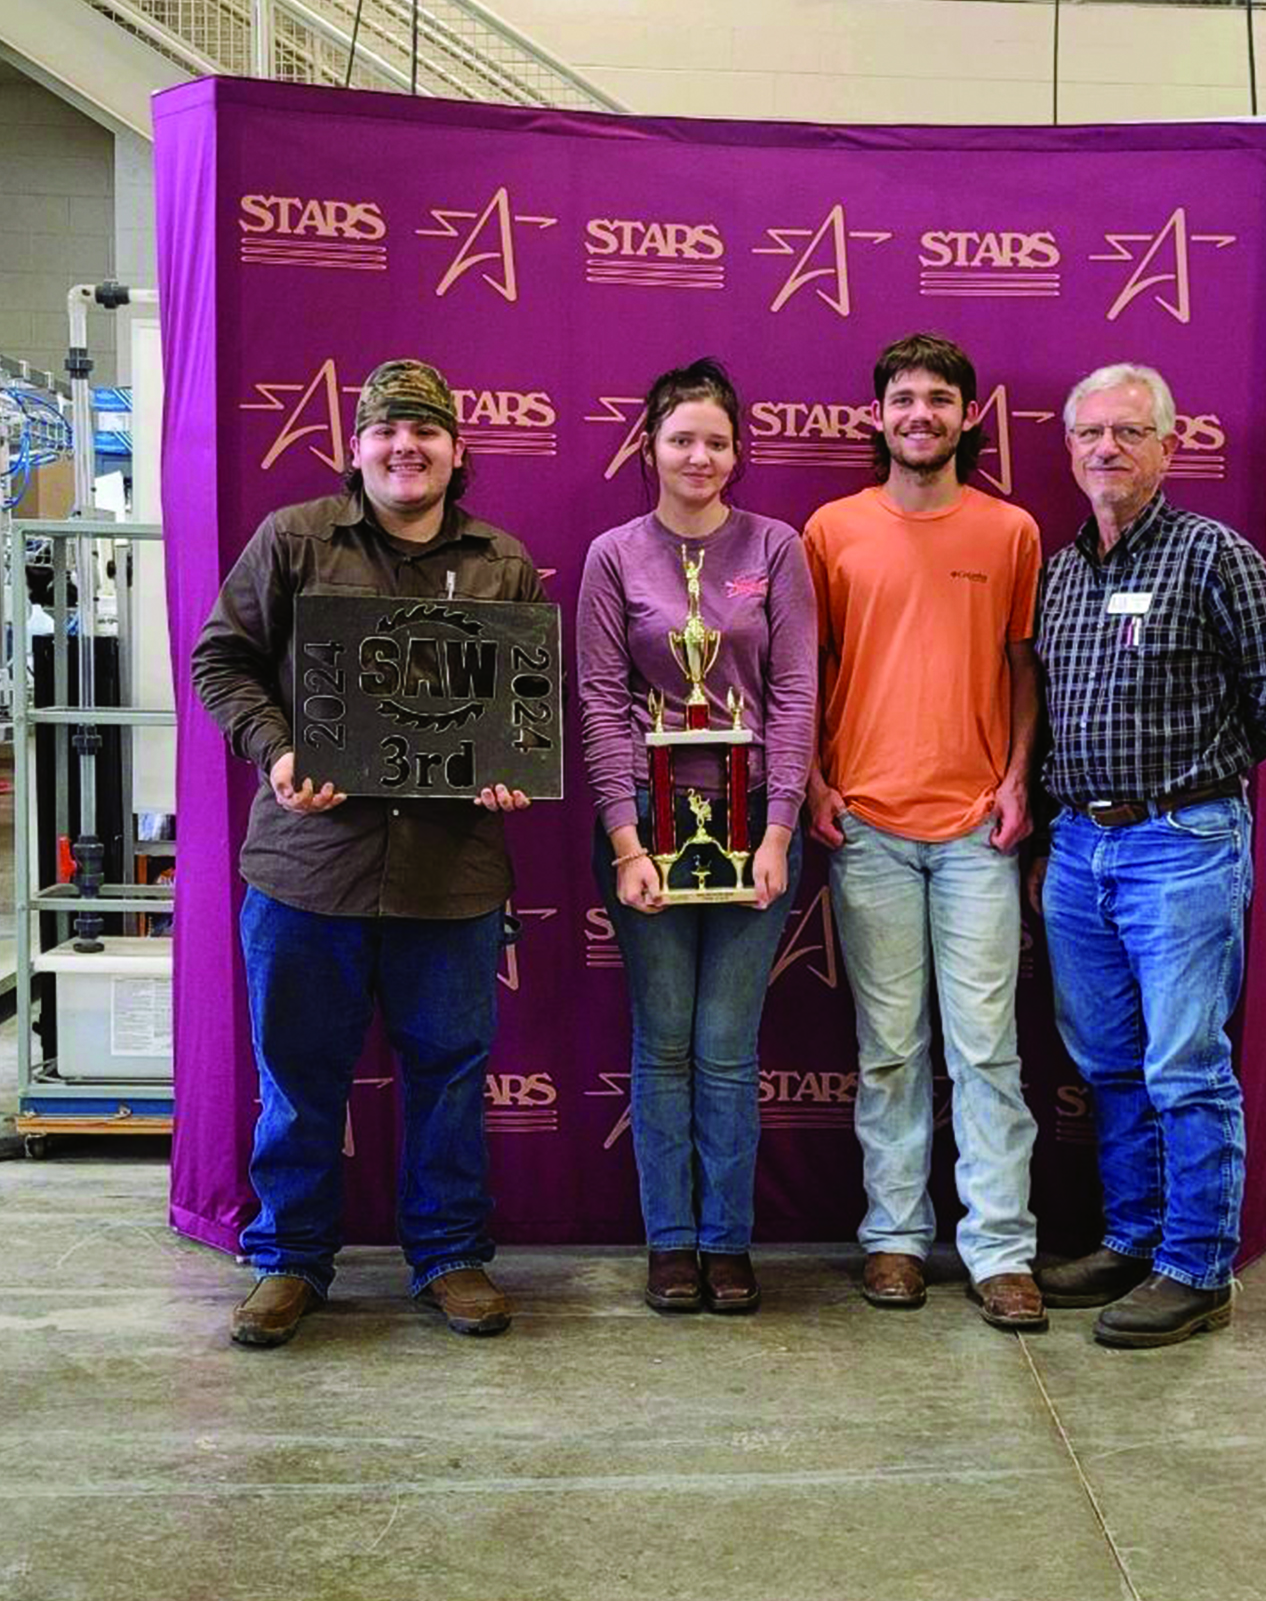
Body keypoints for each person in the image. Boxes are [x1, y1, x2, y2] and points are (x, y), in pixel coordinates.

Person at [192, 359, 541, 1348]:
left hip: (452, 875)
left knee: (450, 1080)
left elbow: (519, 707)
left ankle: (450, 1257)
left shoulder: (500, 563)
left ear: (456, 451)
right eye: (388, 431)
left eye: (427, 432)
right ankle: (288, 1261)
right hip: (311, 868)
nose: (407, 447)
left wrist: (512, 765)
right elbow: (221, 658)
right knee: (301, 1079)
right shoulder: (294, 542)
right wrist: (277, 748)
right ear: (358, 447)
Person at [1034, 361, 1266, 1349]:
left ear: (1169, 444)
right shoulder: (1063, 572)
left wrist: (1204, 778)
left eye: (1126, 431)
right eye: (1088, 434)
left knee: (1186, 1064)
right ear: (1068, 449)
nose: (1105, 448)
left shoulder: (1213, 557)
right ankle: (1133, 1239)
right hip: (1079, 847)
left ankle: (1197, 1269)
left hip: (1182, 843)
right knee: (1112, 1063)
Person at [803, 333, 1046, 1333]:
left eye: (938, 400)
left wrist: (1018, 780)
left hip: (977, 831)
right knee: (890, 1052)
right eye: (902, 399)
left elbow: (1024, 667)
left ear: (966, 416)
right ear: (877, 417)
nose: (919, 415)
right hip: (866, 826)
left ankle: (1000, 1249)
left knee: (987, 1052)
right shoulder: (829, 531)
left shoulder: (1011, 532)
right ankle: (895, 1241)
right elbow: (802, 670)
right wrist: (815, 780)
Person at [576, 359, 816, 1316]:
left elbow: (796, 694)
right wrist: (627, 842)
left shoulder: (779, 547)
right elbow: (597, 701)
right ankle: (670, 1242)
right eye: (681, 439)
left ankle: (728, 1240)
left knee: (726, 1042)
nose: (700, 456)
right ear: (649, 447)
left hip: (753, 820)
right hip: (650, 821)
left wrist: (782, 827)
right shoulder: (612, 555)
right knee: (663, 1039)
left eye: (717, 440)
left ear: (737, 451)